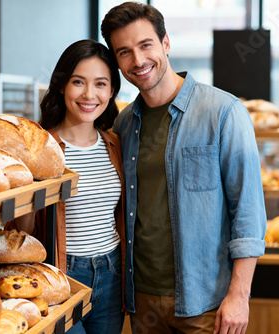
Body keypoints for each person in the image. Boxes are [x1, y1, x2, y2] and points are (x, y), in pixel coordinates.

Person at [101, 3, 267, 334]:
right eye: (124, 52)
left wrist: (239, 295)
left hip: (206, 303)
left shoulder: (223, 112)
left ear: (165, 43)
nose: (138, 61)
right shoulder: (123, 124)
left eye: (145, 45)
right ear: (116, 61)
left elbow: (248, 213)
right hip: (141, 300)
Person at [10, 39, 125, 334]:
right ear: (62, 86)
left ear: (111, 92)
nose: (89, 94)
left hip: (112, 272)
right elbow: (19, 233)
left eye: (101, 84)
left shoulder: (115, 145)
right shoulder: (41, 149)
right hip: (60, 274)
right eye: (78, 82)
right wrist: (31, 192)